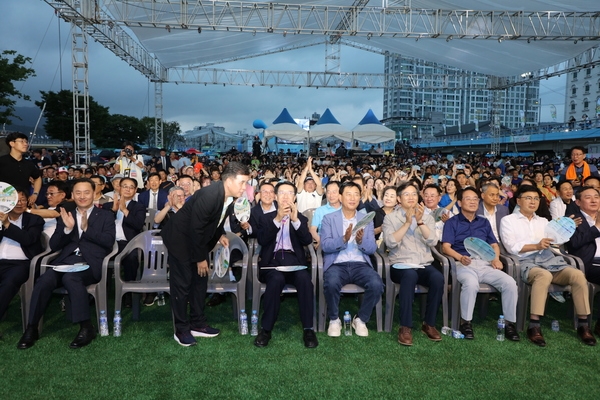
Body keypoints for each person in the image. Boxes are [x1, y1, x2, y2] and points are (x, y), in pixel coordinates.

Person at [18, 179, 116, 349]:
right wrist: (67, 229)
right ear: (72, 195)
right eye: (78, 193)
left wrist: (87, 229)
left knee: (71, 279)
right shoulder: (66, 214)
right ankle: (31, 328)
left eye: (86, 192)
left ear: (94, 194)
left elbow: (108, 242)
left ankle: (86, 327)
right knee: (44, 280)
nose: (82, 196)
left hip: (91, 263)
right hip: (65, 261)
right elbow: (54, 245)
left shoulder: (105, 215)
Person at [161, 162, 250, 347]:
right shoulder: (210, 195)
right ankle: (181, 330)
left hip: (195, 241)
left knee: (199, 283)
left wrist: (221, 234)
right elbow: (196, 229)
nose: (245, 187)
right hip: (180, 240)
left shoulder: (227, 197)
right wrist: (201, 259)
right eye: (242, 182)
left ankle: (198, 324)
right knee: (183, 285)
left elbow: (214, 220)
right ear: (229, 180)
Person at [500, 185, 595, 347]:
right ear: (518, 201)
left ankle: (583, 324)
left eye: (536, 198)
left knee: (578, 275)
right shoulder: (508, 220)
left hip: (549, 261)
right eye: (528, 198)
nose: (533, 202)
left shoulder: (544, 221)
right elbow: (511, 247)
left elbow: (556, 241)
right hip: (524, 262)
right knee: (543, 276)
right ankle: (534, 325)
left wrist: (567, 228)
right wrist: (536, 246)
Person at [442, 187, 519, 341]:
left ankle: (510, 324)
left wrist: (496, 259)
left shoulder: (483, 222)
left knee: (510, 283)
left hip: (485, 264)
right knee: (471, 283)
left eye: (475, 199)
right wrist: (460, 257)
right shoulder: (452, 222)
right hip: (463, 264)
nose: (472, 202)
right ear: (459, 202)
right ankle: (466, 322)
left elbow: (494, 245)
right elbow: (445, 247)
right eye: (468, 198)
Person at [254, 181, 318, 348]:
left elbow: (307, 240)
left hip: (295, 263)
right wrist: (277, 219)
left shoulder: (301, 218)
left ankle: (308, 329)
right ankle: (266, 329)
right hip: (272, 264)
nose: (285, 196)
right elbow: (262, 240)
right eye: (282, 192)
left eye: (289, 193)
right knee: (275, 280)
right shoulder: (265, 217)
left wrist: (295, 220)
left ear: (294, 197)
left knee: (305, 280)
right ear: (275, 196)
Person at [382, 182, 443, 346]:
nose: (411, 197)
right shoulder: (390, 217)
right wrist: (408, 222)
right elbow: (390, 242)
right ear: (399, 199)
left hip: (423, 263)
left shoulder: (427, 216)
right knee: (409, 276)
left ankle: (429, 324)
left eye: (414, 194)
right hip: (400, 264)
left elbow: (432, 240)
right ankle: (405, 326)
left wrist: (420, 222)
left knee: (438, 278)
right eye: (407, 194)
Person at [320, 181, 384, 338]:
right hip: (337, 263)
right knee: (332, 283)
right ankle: (334, 319)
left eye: (356, 194)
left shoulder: (365, 219)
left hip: (360, 264)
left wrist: (361, 242)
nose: (353, 198)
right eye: (348, 194)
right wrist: (344, 239)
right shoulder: (329, 218)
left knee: (377, 284)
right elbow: (326, 245)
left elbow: (371, 249)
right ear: (340, 197)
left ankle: (361, 319)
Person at [0, 191, 44, 326]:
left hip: (21, 264)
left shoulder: (34, 220)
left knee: (9, 283)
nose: (20, 203)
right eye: (16, 200)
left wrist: (7, 224)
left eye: (23, 200)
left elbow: (28, 239)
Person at [102, 177, 146, 305]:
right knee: (95, 256)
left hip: (128, 243)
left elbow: (138, 225)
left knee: (132, 258)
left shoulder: (138, 207)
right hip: (108, 243)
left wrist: (125, 210)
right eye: (124, 186)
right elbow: (103, 225)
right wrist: (114, 211)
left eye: (131, 187)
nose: (127, 189)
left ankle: (128, 293)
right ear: (119, 188)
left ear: (135, 190)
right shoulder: (107, 206)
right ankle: (100, 291)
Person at [567, 186, 600, 337]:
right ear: (578, 202)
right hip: (588, 264)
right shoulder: (573, 220)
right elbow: (574, 244)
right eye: (588, 197)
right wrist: (597, 227)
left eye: (596, 197)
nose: (594, 200)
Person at [0, 133, 41, 207]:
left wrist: (35, 194)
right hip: (4, 202)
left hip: (23, 203)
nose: (25, 144)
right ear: (12, 143)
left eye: (26, 142)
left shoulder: (29, 164)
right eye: (22, 141)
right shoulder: (2, 161)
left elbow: (37, 178)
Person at [309, 181, 341, 249]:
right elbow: (313, 229)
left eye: (334, 192)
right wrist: (320, 240)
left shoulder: (345, 209)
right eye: (328, 192)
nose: (331, 195)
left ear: (340, 193)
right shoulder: (320, 210)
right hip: (326, 243)